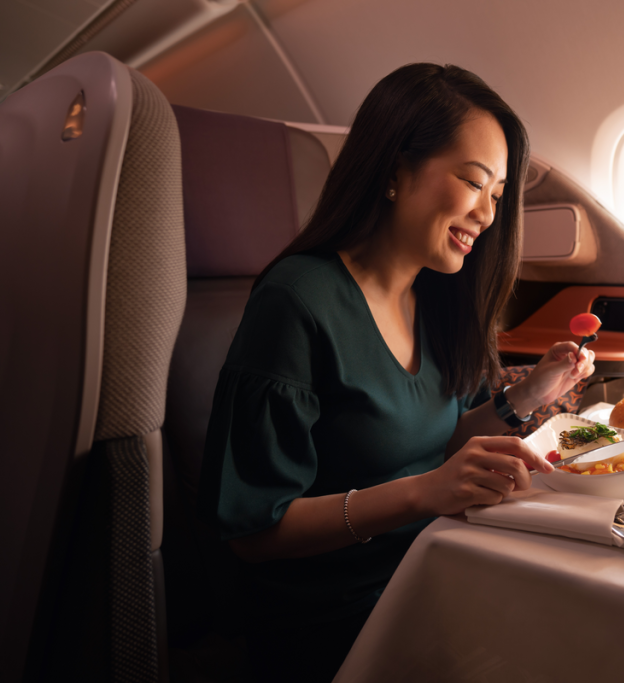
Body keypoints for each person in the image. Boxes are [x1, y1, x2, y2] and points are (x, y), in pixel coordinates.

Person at [198, 62, 596, 682]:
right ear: (393, 169)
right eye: (473, 182)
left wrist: (530, 395)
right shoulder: (298, 299)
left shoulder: (435, 298)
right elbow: (255, 529)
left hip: (432, 565)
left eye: (497, 197)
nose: (488, 216)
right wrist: (425, 491)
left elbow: (434, 442)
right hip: (332, 615)